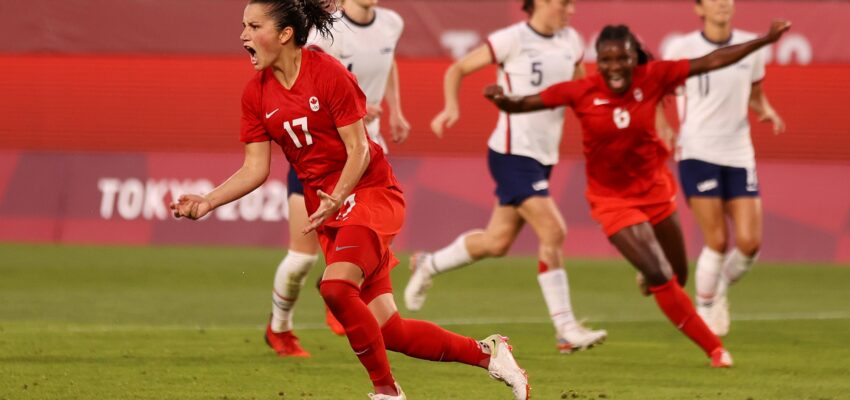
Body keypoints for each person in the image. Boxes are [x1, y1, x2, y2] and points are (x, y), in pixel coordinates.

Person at [171, 1, 529, 399]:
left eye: (253, 26)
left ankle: (387, 392)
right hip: (329, 209)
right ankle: (489, 353)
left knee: (336, 287)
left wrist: (337, 195)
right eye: (243, 26)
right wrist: (208, 202)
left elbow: (359, 148)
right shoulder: (255, 94)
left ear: (285, 33)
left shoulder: (326, 72)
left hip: (370, 192)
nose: (243, 36)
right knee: (389, 331)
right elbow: (255, 168)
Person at [482, 20, 792, 367]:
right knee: (661, 275)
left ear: (634, 58)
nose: (615, 67)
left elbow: (713, 60)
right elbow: (525, 104)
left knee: (677, 276)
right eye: (607, 60)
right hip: (611, 201)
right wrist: (502, 101)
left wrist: (764, 40)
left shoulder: (654, 77)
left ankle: (651, 274)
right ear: (597, 61)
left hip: (655, 191)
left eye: (622, 58)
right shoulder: (580, 90)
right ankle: (715, 350)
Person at [404, 0, 608, 354]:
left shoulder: (571, 41)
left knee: (497, 242)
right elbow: (458, 69)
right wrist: (450, 108)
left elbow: (582, 93)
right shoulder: (511, 39)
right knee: (554, 230)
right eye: (564, 3)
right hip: (513, 153)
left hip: (544, 156)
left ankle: (427, 263)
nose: (570, 10)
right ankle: (565, 329)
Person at [265, 0, 411, 356]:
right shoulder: (325, 31)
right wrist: (353, 101)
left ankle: (339, 296)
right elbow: (305, 81)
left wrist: (396, 109)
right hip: (318, 156)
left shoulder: (392, 22)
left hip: (365, 151)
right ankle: (279, 328)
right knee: (301, 258)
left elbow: (387, 64)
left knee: (370, 240)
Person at [660, 0, 785, 337]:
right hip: (698, 151)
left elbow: (755, 93)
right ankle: (704, 306)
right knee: (716, 239)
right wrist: (663, 126)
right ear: (698, 8)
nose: (722, 5)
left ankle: (717, 288)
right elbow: (658, 92)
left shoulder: (750, 46)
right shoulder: (682, 47)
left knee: (749, 243)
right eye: (714, 0)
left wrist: (766, 111)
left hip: (739, 152)